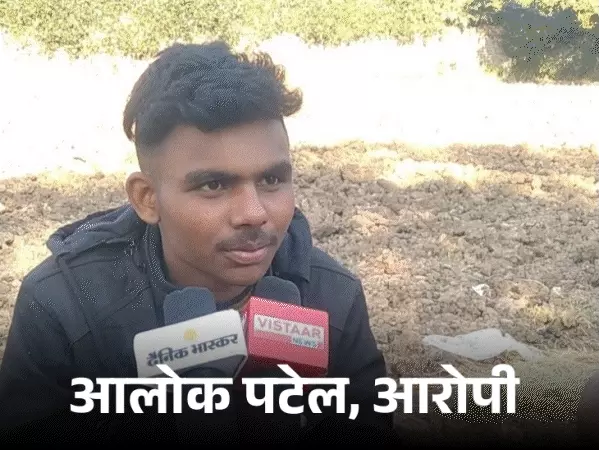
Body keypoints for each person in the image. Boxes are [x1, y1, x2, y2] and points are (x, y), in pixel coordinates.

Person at [0, 41, 398, 444]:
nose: (253, 213)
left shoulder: (333, 297)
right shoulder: (64, 305)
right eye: (214, 185)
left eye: (271, 179)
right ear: (147, 198)